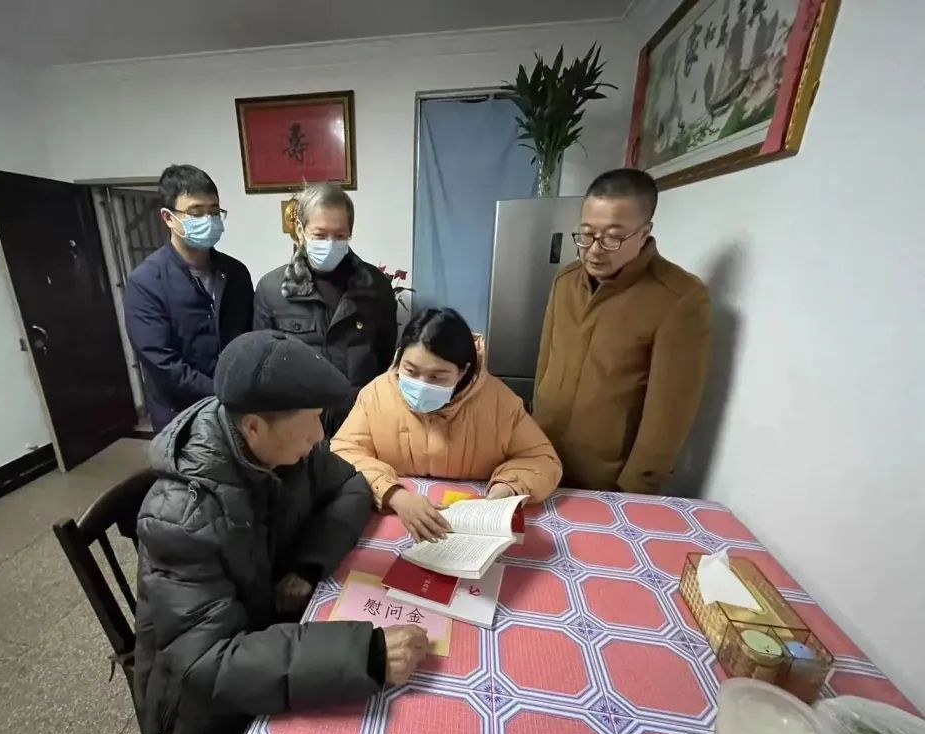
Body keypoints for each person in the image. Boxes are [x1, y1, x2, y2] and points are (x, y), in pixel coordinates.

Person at [134, 330, 429, 734]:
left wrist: (308, 564)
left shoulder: (281, 448)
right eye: (312, 420)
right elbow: (206, 661)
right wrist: (367, 655)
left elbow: (351, 486)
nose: (320, 436)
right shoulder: (180, 518)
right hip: (205, 719)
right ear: (254, 427)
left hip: (271, 636)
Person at [534, 168, 711, 494]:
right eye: (586, 234)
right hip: (541, 461)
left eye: (613, 237)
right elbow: (545, 365)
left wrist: (634, 490)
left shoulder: (679, 298)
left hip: (607, 481)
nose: (595, 249)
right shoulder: (566, 280)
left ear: (644, 234)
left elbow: (668, 416)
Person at [332, 308, 561, 542]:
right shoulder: (376, 394)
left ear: (463, 371)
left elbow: (542, 461)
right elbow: (344, 451)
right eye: (410, 370)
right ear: (399, 357)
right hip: (394, 518)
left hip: (469, 526)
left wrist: (508, 487)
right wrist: (394, 496)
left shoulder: (500, 403)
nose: (421, 384)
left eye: (437, 377)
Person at [254, 182, 396, 436]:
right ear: (301, 230)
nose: (330, 243)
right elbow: (264, 365)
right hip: (296, 425)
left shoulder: (375, 287)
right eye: (320, 235)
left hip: (360, 421)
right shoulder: (273, 289)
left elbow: (385, 356)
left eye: (340, 236)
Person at [124, 164, 254, 432]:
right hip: (182, 415)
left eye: (214, 211)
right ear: (168, 217)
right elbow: (162, 363)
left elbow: (250, 335)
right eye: (196, 212)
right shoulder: (146, 281)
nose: (208, 219)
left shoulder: (235, 272)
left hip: (238, 408)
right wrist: (222, 394)